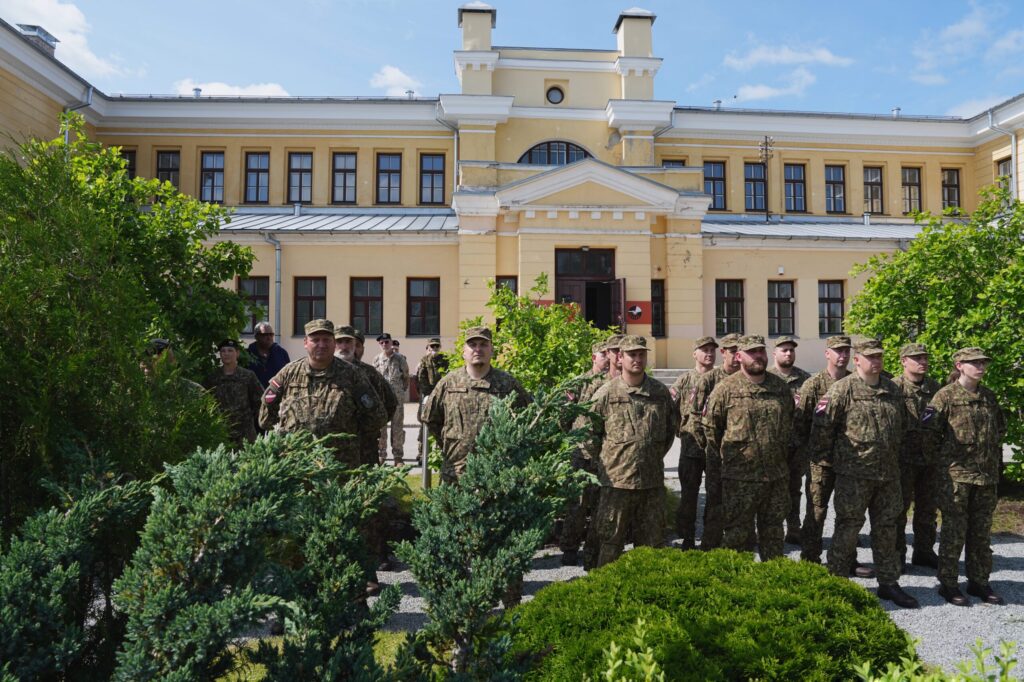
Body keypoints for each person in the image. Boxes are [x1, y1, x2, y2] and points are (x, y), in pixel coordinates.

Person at [811, 339, 918, 609]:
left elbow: (904, 428)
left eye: (880, 357)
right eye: (870, 357)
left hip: (888, 476)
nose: (876, 362)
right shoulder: (842, 390)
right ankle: (835, 581)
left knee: (888, 529)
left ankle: (889, 583)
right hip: (854, 475)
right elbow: (822, 430)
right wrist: (833, 463)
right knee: (848, 527)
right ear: (857, 360)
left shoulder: (892, 390)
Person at [581, 336, 678, 568]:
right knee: (610, 541)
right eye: (631, 355)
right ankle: (605, 590)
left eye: (641, 354)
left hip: (651, 482)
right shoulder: (606, 393)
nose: (637, 359)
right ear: (620, 358)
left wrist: (649, 456)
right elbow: (587, 434)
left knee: (652, 544)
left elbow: (668, 431)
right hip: (616, 484)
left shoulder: (659, 392)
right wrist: (609, 461)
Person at [927, 347, 1006, 606]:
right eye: (974, 363)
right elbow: (928, 435)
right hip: (956, 478)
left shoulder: (988, 397)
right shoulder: (945, 397)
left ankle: (979, 581)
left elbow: (999, 429)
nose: (981, 367)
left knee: (981, 533)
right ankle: (948, 583)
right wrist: (944, 467)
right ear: (960, 365)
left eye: (983, 363)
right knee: (954, 532)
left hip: (985, 477)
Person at [704, 335, 794, 559]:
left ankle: (772, 583)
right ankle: (738, 586)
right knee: (737, 534)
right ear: (738, 356)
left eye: (761, 351)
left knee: (773, 532)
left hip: (775, 476)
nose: (758, 357)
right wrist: (730, 460)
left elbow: (791, 425)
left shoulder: (780, 388)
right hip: (739, 478)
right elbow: (710, 430)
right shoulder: (725, 389)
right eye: (751, 352)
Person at [259, 319, 389, 467]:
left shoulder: (352, 375)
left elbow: (377, 416)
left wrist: (348, 435)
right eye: (315, 340)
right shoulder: (289, 373)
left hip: (340, 463)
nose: (321, 345)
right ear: (305, 342)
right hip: (297, 461)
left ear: (334, 343)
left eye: (326, 340)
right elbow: (265, 416)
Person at [420, 326, 530, 484]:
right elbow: (431, 419)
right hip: (455, 475)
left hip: (498, 474)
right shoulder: (448, 383)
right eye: (472, 345)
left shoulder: (507, 383)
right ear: (464, 351)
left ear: (492, 350)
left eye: (483, 344)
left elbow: (527, 419)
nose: (478, 349)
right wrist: (451, 443)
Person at [796, 335, 852, 564]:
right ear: (827, 354)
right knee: (817, 510)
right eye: (838, 351)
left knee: (848, 512)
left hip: (850, 461)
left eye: (846, 351)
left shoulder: (855, 382)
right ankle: (810, 556)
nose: (843, 355)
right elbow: (800, 422)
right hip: (821, 461)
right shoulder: (814, 384)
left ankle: (845, 558)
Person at [559, 339, 611, 566]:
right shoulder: (579, 383)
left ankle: (595, 548)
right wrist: (575, 438)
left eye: (609, 353)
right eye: (602, 354)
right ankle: (570, 548)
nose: (607, 358)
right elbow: (563, 416)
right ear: (593, 357)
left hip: (604, 454)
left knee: (602, 504)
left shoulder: (613, 382)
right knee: (577, 504)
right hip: (581, 453)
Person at [689, 332, 742, 549]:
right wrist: (709, 447)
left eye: (740, 351)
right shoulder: (709, 380)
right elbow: (695, 416)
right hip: (716, 454)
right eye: (732, 351)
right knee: (715, 500)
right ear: (724, 353)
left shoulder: (749, 377)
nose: (737, 356)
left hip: (743, 456)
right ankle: (710, 545)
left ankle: (740, 543)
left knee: (742, 501)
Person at [892, 342, 941, 571]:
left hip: (929, 460)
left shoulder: (935, 389)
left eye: (924, 358)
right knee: (897, 510)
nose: (922, 362)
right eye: (916, 358)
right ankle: (896, 554)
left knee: (927, 509)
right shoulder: (893, 389)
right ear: (904, 361)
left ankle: (923, 551)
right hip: (902, 460)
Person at [669, 336, 718, 550]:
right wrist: (679, 430)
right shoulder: (684, 380)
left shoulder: (721, 379)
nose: (709, 353)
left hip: (715, 449)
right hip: (691, 448)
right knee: (689, 496)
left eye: (711, 350)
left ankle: (710, 537)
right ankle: (687, 538)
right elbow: (669, 408)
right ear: (694, 354)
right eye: (704, 349)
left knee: (716, 496)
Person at [767, 336, 811, 545]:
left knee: (794, 489)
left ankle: (794, 528)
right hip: (773, 447)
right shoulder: (766, 378)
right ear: (774, 353)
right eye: (784, 350)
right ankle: (769, 529)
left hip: (797, 446)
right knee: (771, 489)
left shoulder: (805, 379)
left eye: (791, 350)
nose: (788, 354)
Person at [335, 326, 399, 466]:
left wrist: (370, 428)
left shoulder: (369, 372)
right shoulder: (326, 371)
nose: (344, 346)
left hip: (364, 449)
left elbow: (390, 403)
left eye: (349, 342)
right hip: (332, 450)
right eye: (339, 342)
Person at [203, 339, 263, 446]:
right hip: (221, 432)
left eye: (230, 350)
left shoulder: (248, 376)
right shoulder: (212, 377)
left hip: (245, 434)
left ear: (237, 353)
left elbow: (260, 401)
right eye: (223, 351)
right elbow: (205, 402)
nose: (226, 354)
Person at [374, 333, 410, 466]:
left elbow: (406, 377)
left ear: (391, 342)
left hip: (397, 400)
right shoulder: (376, 359)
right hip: (382, 400)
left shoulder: (400, 359)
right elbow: (374, 378)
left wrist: (400, 391)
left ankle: (398, 457)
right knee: (381, 428)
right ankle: (381, 455)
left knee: (397, 427)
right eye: (382, 343)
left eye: (387, 342)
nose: (384, 345)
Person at [247, 322, 291, 388]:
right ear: (256, 336)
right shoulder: (248, 354)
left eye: (271, 334)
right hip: (253, 396)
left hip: (276, 395)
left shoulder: (282, 353)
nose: (269, 337)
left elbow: (288, 375)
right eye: (265, 335)